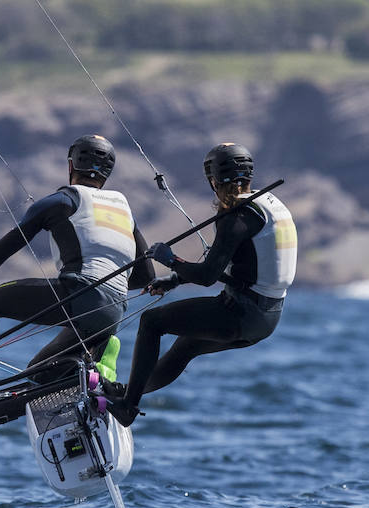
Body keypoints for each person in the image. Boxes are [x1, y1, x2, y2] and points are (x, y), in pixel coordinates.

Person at [0, 134, 154, 389]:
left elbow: (0, 252)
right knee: (36, 376)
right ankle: (97, 367)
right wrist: (107, 292)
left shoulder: (63, 200)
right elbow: (147, 277)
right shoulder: (123, 208)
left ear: (71, 166)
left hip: (80, 295)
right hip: (114, 313)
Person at [108, 143, 296, 427]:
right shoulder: (267, 204)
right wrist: (175, 280)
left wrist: (169, 260)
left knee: (151, 322)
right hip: (268, 320)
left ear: (213, 180)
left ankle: (127, 407)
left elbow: (208, 276)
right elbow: (230, 268)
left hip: (241, 313)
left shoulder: (236, 215)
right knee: (186, 346)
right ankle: (128, 394)